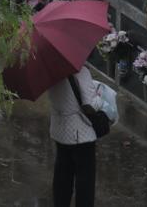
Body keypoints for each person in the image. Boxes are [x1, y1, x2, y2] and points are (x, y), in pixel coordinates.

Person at [48, 62, 100, 207]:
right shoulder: (81, 71)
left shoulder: (50, 72)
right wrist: (99, 96)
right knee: (85, 182)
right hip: (81, 134)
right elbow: (92, 104)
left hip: (60, 131)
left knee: (62, 177)